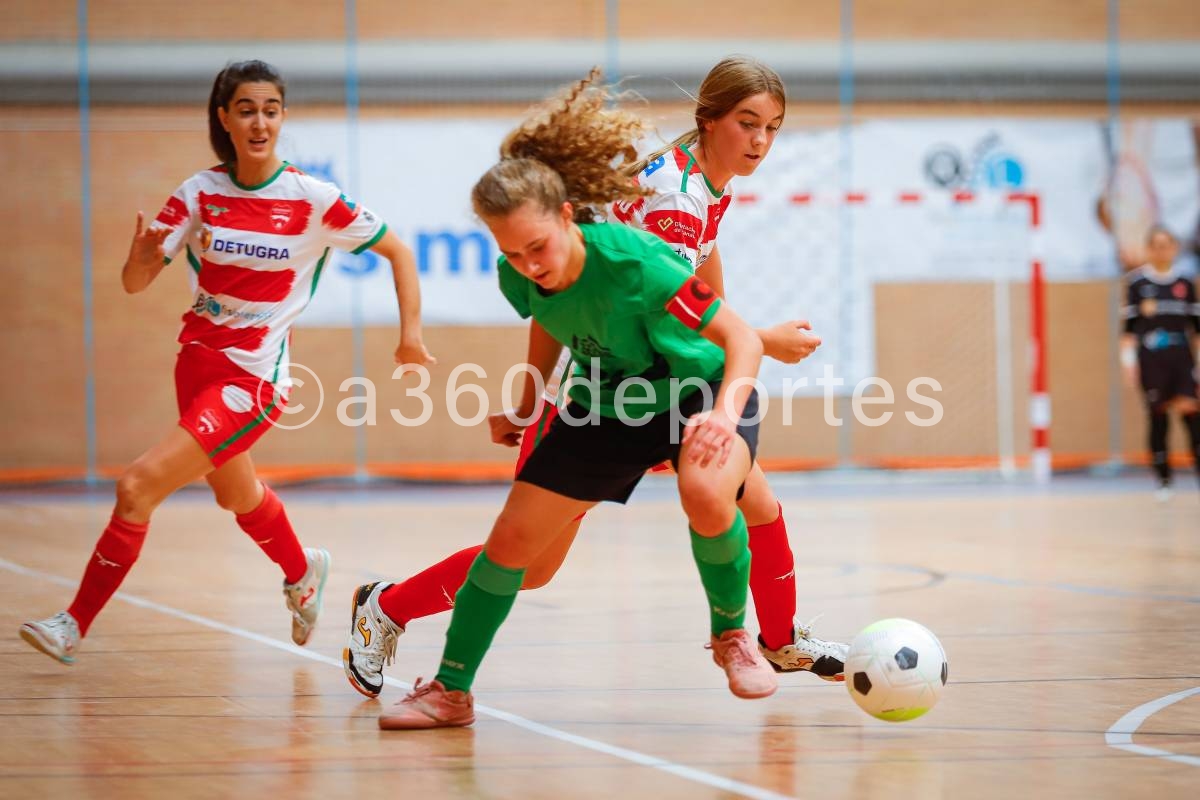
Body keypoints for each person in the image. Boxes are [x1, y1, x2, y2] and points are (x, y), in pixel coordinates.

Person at [342, 57, 845, 704]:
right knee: (531, 564)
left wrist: (732, 335)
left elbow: (700, 270)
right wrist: (760, 340)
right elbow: (647, 304)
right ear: (709, 119)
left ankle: (774, 640)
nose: (760, 141)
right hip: (617, 388)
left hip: (667, 384)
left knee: (751, 500)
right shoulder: (673, 202)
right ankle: (389, 605)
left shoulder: (700, 182)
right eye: (747, 124)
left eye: (772, 127)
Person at [18, 60, 433, 664]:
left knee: (136, 487)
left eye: (270, 109)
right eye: (246, 110)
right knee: (236, 496)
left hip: (252, 381)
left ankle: (72, 624)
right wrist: (138, 259)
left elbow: (398, 250)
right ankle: (302, 570)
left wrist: (410, 336)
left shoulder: (312, 198)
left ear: (281, 117)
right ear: (225, 119)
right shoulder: (199, 192)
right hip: (195, 366)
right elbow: (134, 283)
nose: (259, 121)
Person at [1120, 225, 1200, 499]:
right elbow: (1128, 332)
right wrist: (1129, 363)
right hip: (1151, 360)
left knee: (1192, 417)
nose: (1162, 250)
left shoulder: (1185, 284)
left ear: (1175, 249)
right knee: (1158, 418)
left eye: (1167, 244)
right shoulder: (1137, 284)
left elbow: (1196, 330)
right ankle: (1163, 481)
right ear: (1149, 249)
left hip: (1182, 360)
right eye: (1156, 245)